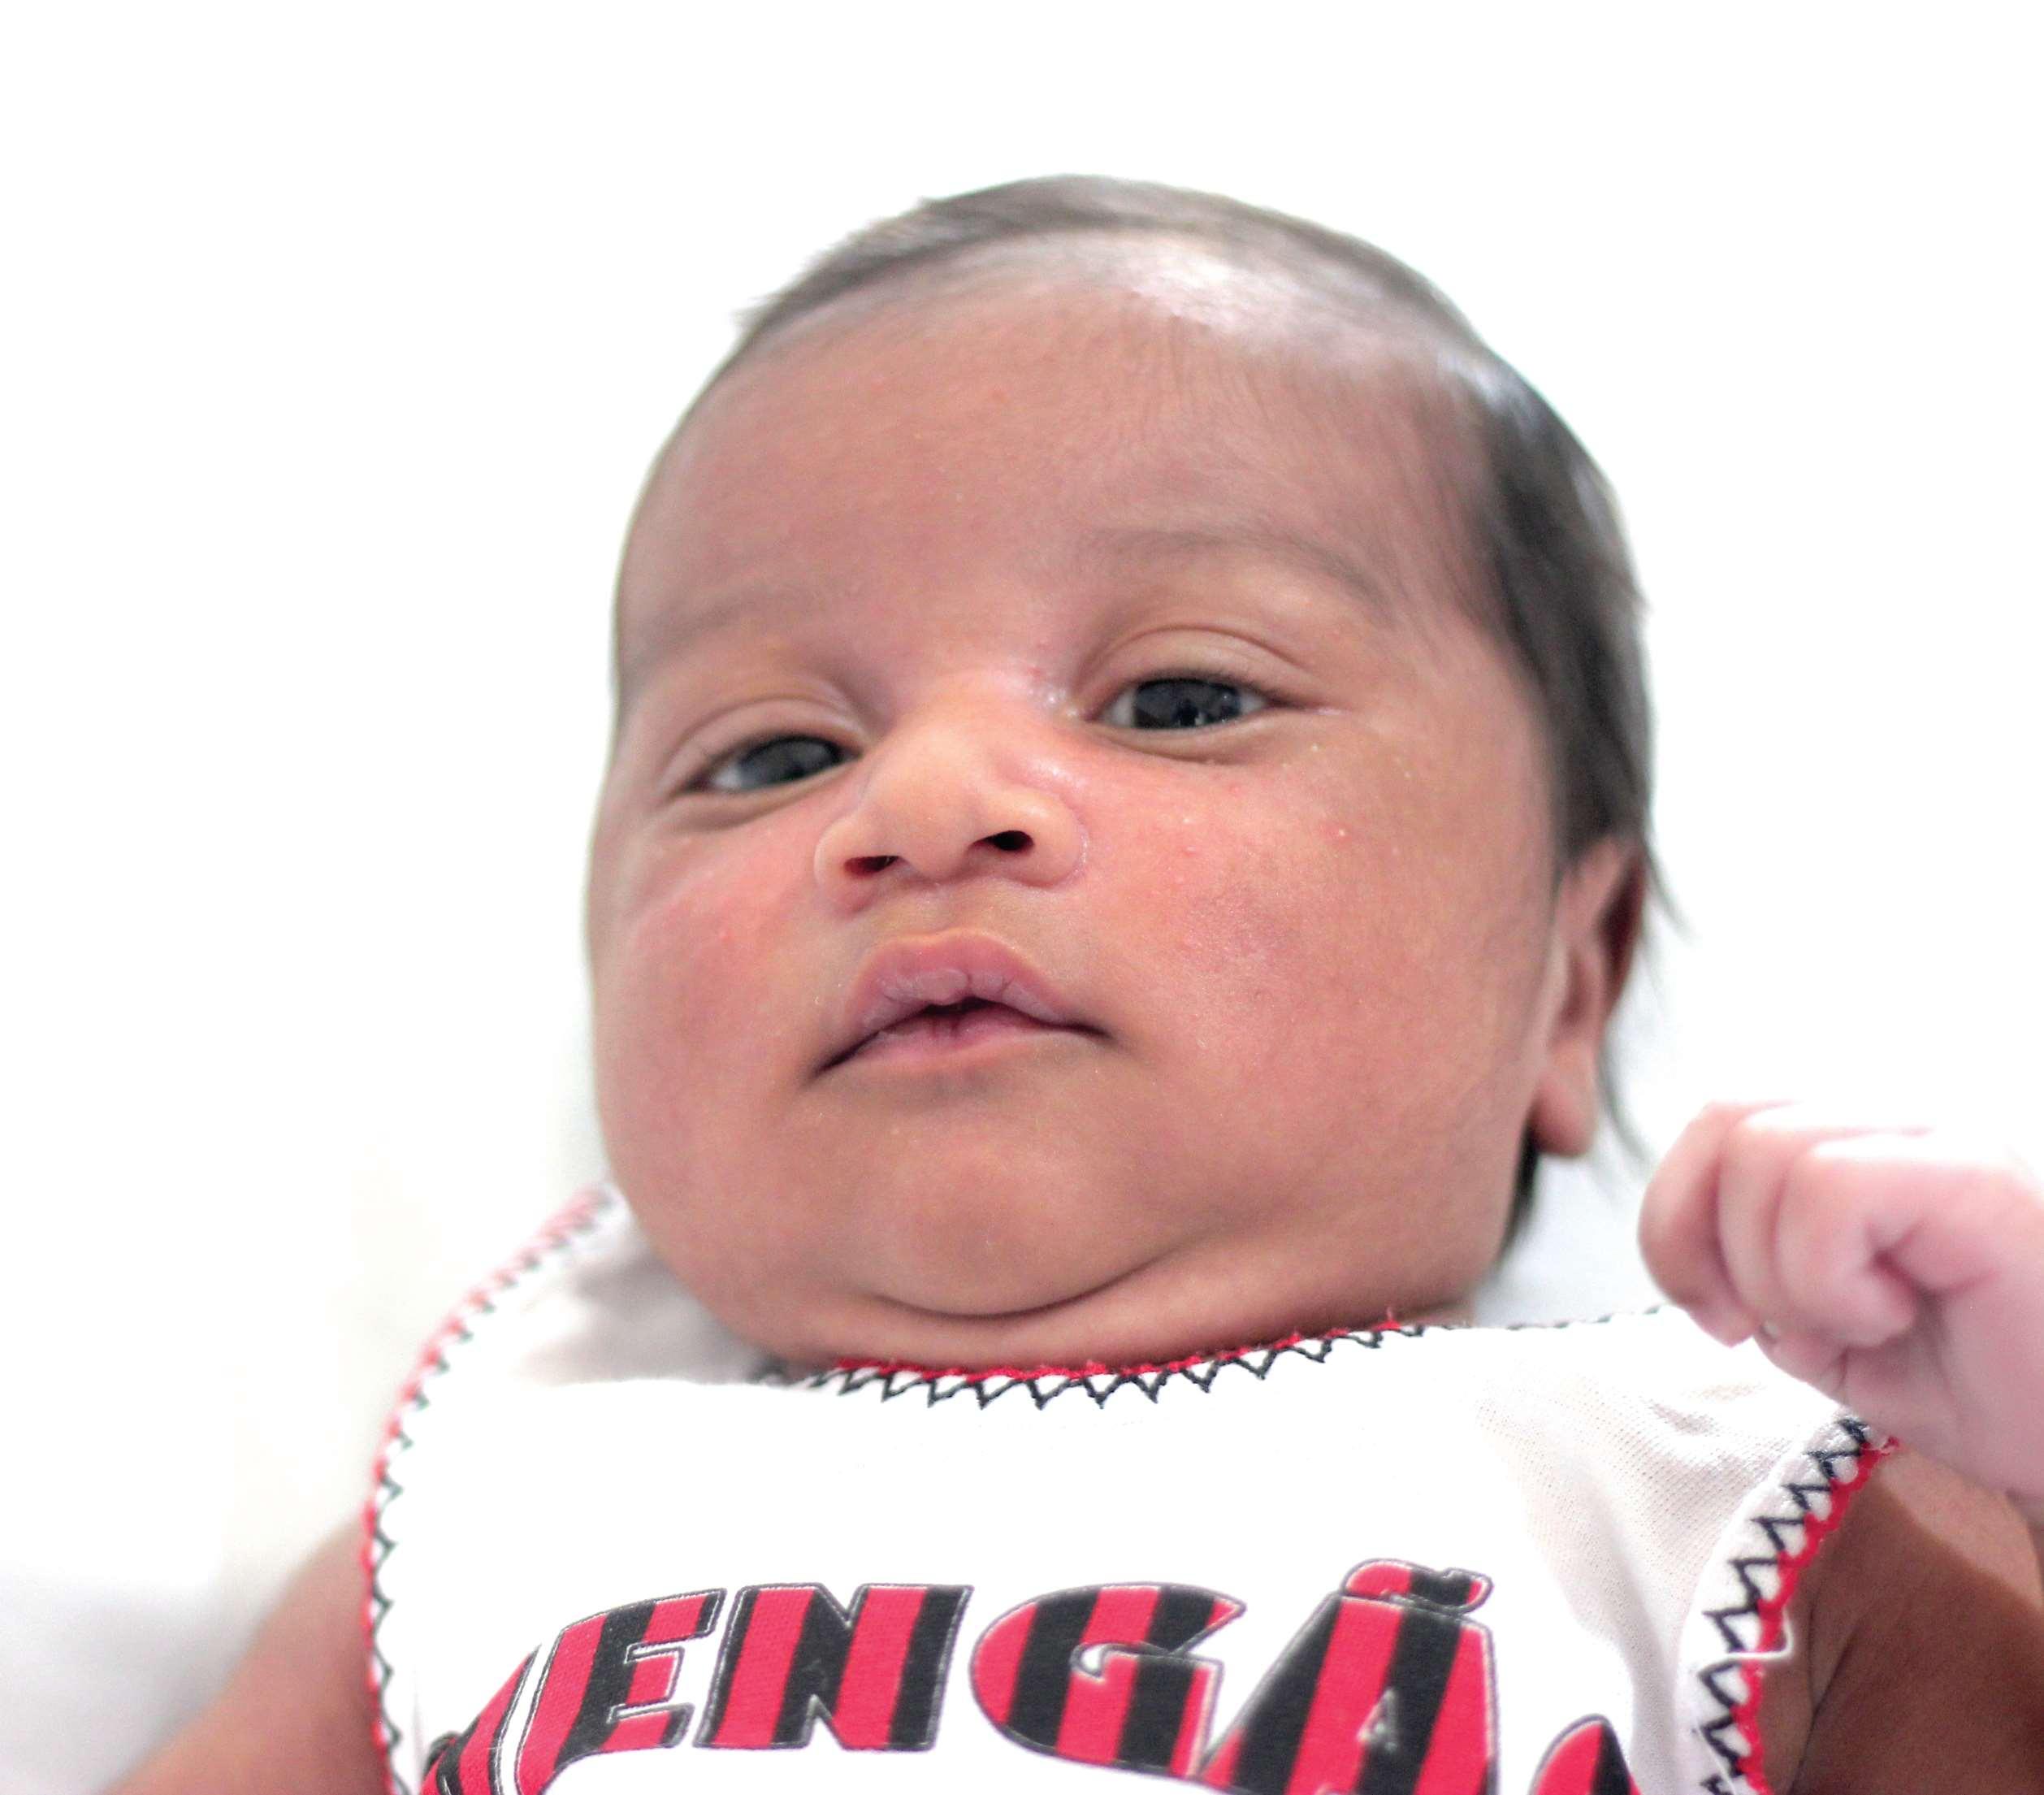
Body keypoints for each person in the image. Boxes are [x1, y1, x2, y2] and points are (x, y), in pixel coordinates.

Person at [114, 177, 2044, 1794]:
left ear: (1569, 982)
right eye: (772, 754)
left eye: (1181, 699)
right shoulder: (493, 1516)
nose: (925, 800)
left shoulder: (1731, 1516)